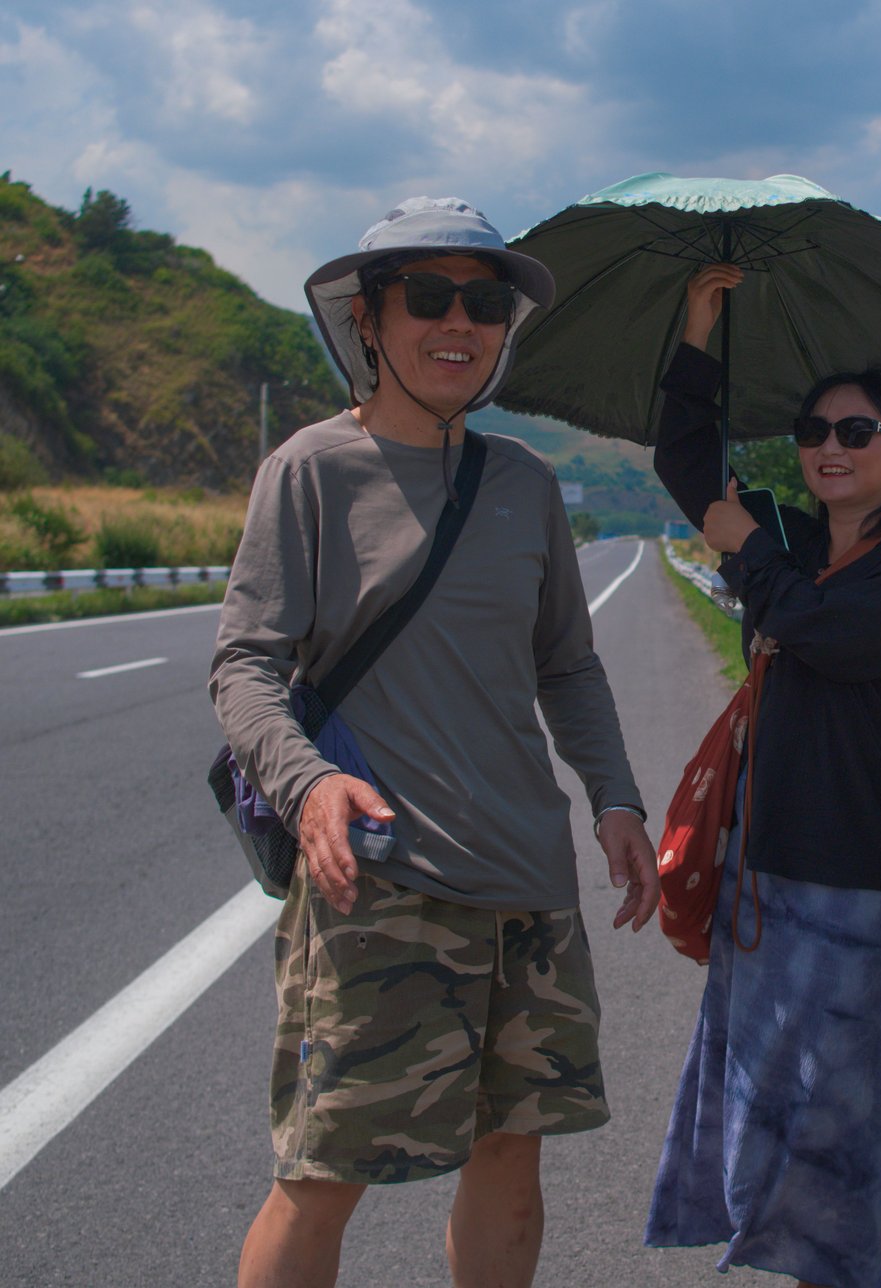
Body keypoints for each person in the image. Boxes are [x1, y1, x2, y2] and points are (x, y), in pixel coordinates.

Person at [210, 196, 659, 1288]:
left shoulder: (523, 483)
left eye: (486, 300)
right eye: (428, 295)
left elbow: (567, 663)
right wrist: (309, 785)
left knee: (510, 1153)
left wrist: (616, 799)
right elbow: (244, 667)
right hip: (381, 881)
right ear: (369, 318)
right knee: (324, 1172)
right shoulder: (310, 473)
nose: (459, 322)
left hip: (529, 883)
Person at [643, 263, 881, 1288]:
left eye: (856, 432)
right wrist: (696, 334)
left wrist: (740, 551)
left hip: (852, 882)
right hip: (759, 873)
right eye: (815, 431)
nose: (827, 447)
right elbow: (686, 462)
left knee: (836, 1131)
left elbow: (823, 634)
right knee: (766, 1110)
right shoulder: (794, 540)